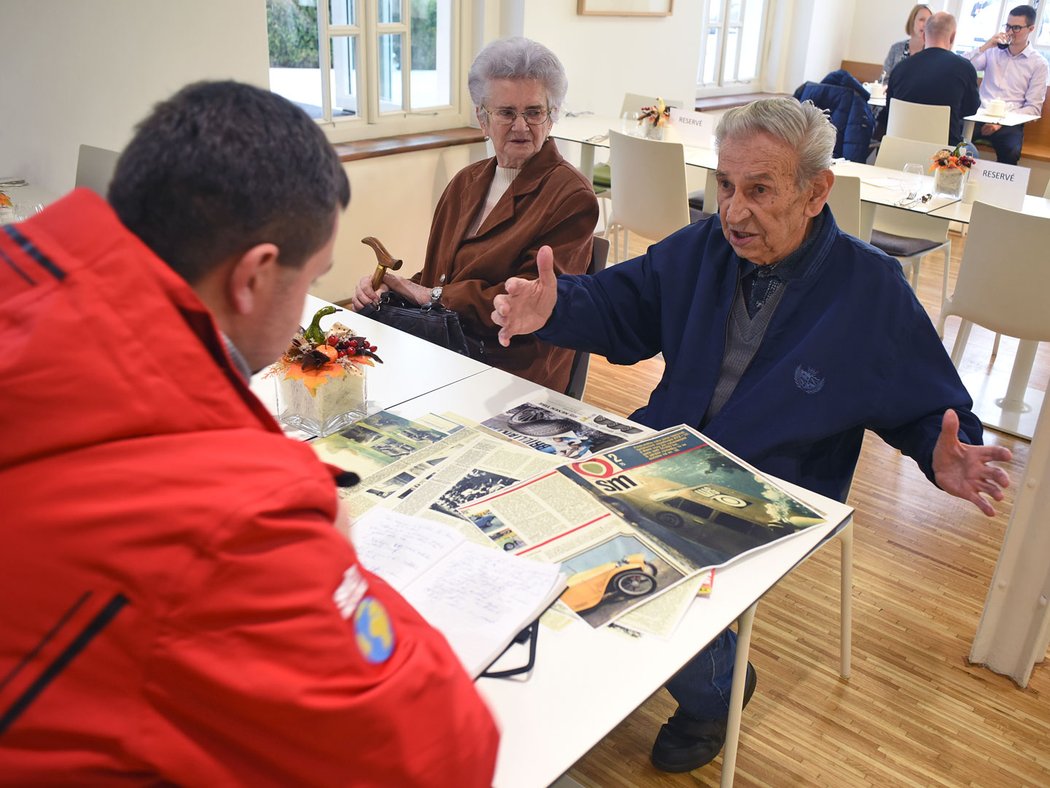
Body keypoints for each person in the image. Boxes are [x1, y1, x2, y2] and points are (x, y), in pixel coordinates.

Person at [491, 97, 1012, 774]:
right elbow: (625, 304)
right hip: (667, 449)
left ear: (815, 192)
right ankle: (606, 665)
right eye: (727, 187)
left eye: (760, 190)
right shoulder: (704, 247)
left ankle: (716, 692)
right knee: (539, 510)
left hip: (774, 486)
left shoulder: (869, 289)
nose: (734, 212)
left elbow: (922, 404)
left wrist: (943, 451)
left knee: (647, 565)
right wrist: (558, 306)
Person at [0, 81, 498, 784]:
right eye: (311, 281)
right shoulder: (228, 521)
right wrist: (330, 543)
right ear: (255, 277)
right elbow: (443, 753)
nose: (302, 317)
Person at [351, 36, 598, 392]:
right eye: (505, 112)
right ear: (483, 119)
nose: (520, 126)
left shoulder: (571, 197)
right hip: (441, 350)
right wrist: (386, 287)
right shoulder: (466, 181)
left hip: (508, 370)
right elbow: (440, 275)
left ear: (552, 116)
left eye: (533, 111)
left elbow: (523, 303)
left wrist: (427, 296)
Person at [875, 11, 980, 145]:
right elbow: (971, 108)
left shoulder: (900, 68)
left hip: (901, 146)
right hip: (945, 153)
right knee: (973, 152)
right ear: (952, 37)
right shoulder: (964, 68)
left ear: (924, 36)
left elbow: (891, 108)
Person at [964, 4, 1049, 165]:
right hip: (979, 115)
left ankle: (999, 189)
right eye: (1008, 26)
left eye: (1016, 28)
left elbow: (1033, 108)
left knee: (1011, 150)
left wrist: (1000, 122)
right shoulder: (992, 51)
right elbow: (963, 67)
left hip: (1010, 121)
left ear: (1031, 29)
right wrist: (986, 45)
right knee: (953, 139)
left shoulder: (1038, 64)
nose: (1010, 32)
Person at [884, 4, 933, 80]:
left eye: (928, 21)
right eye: (922, 20)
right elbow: (884, 79)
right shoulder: (896, 49)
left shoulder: (932, 53)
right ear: (912, 21)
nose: (925, 25)